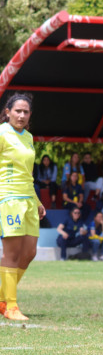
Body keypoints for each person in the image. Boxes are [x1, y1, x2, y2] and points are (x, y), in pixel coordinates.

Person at [0, 93, 46, 320]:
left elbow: (28, 174)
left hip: (28, 200)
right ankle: (11, 306)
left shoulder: (28, 137)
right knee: (12, 252)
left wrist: (36, 200)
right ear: (7, 112)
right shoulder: (1, 134)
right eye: (17, 110)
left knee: (29, 252)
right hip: (8, 198)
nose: (21, 115)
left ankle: (2, 298)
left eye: (26, 112)